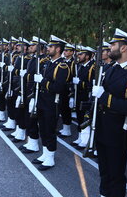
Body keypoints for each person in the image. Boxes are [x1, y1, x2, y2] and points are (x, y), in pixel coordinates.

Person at [91, 28, 127, 196]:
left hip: (118, 130)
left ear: (123, 48)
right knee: (104, 169)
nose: (110, 48)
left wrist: (104, 96)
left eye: (114, 44)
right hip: (102, 126)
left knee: (116, 173)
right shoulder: (111, 69)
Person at [33, 35, 71, 170]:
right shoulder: (49, 62)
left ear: (58, 49)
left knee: (49, 130)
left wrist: (42, 81)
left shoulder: (62, 66)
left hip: (52, 103)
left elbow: (58, 88)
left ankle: (50, 158)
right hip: (43, 101)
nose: (48, 48)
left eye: (51, 46)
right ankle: (45, 154)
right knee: (42, 128)